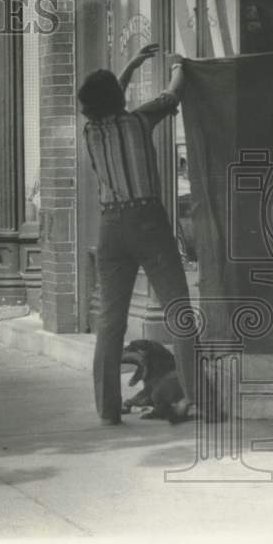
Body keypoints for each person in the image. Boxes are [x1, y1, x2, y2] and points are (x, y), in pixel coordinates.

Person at [78, 42, 198, 425]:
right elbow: (171, 94)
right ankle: (194, 398)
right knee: (178, 310)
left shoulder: (90, 132)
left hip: (110, 226)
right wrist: (182, 65)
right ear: (119, 97)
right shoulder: (138, 122)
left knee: (111, 322)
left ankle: (107, 409)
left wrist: (129, 66)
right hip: (148, 221)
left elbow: (111, 101)